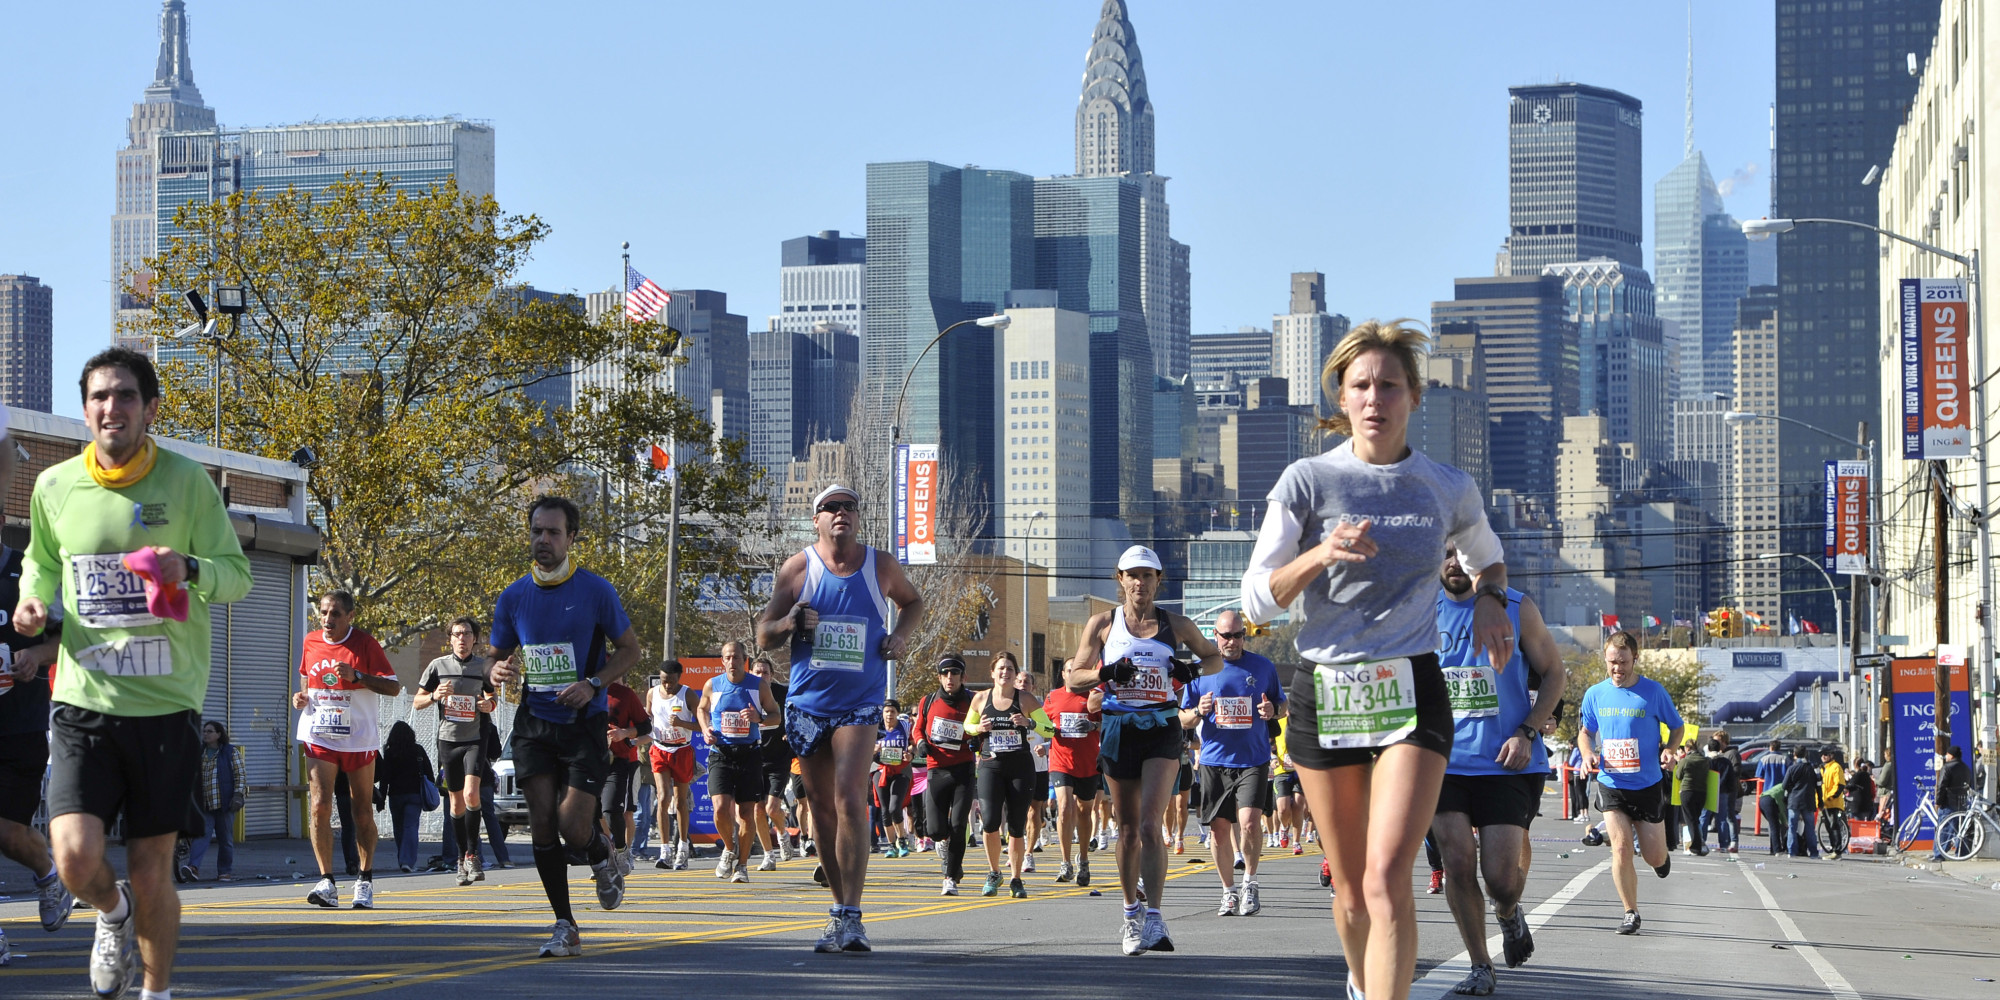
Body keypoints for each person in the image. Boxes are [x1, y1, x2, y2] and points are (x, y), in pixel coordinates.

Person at [1240, 320, 1512, 997]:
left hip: (1411, 686)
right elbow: (1255, 603)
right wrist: (1320, 553)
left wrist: (1491, 599)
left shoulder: (1446, 487)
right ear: (1342, 396)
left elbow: (1489, 558)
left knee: (1390, 876)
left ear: (1414, 396)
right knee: (1355, 889)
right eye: (1360, 385)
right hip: (1326, 687)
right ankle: (1363, 983)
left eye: (1389, 384)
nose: (1374, 398)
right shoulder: (1308, 481)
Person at [19, 349, 253, 997]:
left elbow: (238, 575)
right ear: (85, 408)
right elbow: (41, 560)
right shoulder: (55, 485)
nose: (110, 408)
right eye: (98, 396)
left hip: (164, 705)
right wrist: (31, 601)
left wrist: (193, 569)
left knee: (153, 872)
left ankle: (156, 992)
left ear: (150, 409)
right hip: (82, 699)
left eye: (125, 396)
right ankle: (110, 912)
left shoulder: (187, 483)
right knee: (73, 858)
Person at [756, 483, 923, 953]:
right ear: (816, 519)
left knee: (850, 797)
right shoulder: (798, 568)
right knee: (822, 809)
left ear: (857, 516)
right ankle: (838, 911)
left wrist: (899, 636)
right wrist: (789, 623)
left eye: (849, 506)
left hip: (861, 701)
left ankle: (853, 911)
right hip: (807, 706)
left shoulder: (881, 565)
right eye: (830, 507)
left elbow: (914, 602)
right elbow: (764, 635)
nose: (840, 513)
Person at [487, 496, 643, 958]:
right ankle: (565, 924)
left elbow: (630, 650)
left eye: (553, 533)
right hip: (534, 722)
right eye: (537, 531)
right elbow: (494, 656)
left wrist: (593, 683)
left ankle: (599, 853)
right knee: (539, 825)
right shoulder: (513, 596)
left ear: (572, 538)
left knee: (572, 825)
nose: (543, 541)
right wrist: (493, 672)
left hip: (583, 723)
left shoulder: (596, 591)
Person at [1066, 544, 1223, 956]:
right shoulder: (1103, 624)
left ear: (1158, 582)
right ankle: (1130, 913)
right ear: (1120, 580)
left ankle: (1155, 918)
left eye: (1147, 576)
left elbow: (1214, 659)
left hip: (1162, 727)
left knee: (1153, 826)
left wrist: (1190, 669)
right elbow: (1075, 679)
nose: (1140, 583)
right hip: (1119, 728)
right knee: (1129, 829)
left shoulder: (1176, 624)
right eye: (1132, 575)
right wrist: (1106, 672)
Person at [1427, 549, 1565, 995]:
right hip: (1443, 763)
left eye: (1460, 553)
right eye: (1444, 553)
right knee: (1456, 861)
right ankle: (1480, 965)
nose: (1452, 562)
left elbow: (1554, 673)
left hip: (1507, 762)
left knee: (1501, 881)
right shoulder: (1419, 612)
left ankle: (1508, 912)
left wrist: (1527, 732)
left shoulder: (1516, 607)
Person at [0, 397, 74, 969]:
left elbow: (74, 640)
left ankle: (48, 872)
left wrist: (38, 658)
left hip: (19, 726)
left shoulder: (22, 576)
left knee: (6, 832)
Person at [294, 590, 401, 909]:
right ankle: (326, 880)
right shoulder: (311, 641)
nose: (327, 619)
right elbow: (305, 676)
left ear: (350, 616)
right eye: (324, 613)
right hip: (320, 733)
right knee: (319, 806)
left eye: (335, 613)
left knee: (361, 810)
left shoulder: (365, 644)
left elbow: (393, 687)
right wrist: (301, 697)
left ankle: (365, 879)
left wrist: (358, 676)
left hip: (358, 737)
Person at [1576, 631, 1685, 935]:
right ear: (1605, 659)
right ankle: (1630, 912)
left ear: (1635, 659)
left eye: (1624, 662)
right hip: (1611, 782)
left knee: (1653, 856)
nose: (1618, 668)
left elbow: (1677, 727)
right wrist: (1587, 755)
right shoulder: (1595, 694)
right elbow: (1585, 732)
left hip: (1647, 784)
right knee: (1621, 849)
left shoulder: (1653, 692)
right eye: (1612, 662)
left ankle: (1661, 860)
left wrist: (1670, 749)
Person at [1178, 609, 1285, 917]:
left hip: (1253, 758)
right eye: (1227, 635)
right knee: (1219, 831)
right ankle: (1228, 891)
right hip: (1214, 760)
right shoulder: (1201, 671)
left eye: (1238, 635)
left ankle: (1250, 882)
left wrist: (1271, 710)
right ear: (1215, 634)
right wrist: (1198, 710)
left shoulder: (1263, 666)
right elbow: (1182, 718)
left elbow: (1283, 704)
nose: (1233, 641)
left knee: (1250, 822)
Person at [413, 616, 498, 885]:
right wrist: (435, 696)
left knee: (473, 794)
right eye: (457, 633)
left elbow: (491, 698)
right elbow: (417, 702)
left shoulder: (483, 666)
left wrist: (489, 705)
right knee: (456, 802)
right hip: (448, 740)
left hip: (475, 737)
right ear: (450, 638)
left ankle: (473, 855)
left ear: (475, 638)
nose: (462, 638)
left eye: (467, 633)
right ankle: (461, 858)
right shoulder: (438, 666)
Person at [697, 640, 779, 882]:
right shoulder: (713, 685)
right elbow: (702, 708)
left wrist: (759, 718)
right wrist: (705, 729)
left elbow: (776, 716)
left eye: (736, 657)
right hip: (721, 753)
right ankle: (729, 848)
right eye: (727, 657)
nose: (732, 662)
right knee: (720, 809)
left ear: (745, 661)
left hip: (749, 754)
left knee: (746, 814)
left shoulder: (758, 685)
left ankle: (741, 865)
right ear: (722, 661)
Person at [965, 652, 1042, 898]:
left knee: (1017, 825)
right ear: (992, 672)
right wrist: (978, 728)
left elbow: (1049, 728)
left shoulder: (1026, 699)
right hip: (990, 765)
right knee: (989, 822)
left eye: (1009, 668)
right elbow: (967, 726)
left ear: (1014, 673)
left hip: (1020, 766)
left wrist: (1028, 723)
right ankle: (994, 871)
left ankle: (1016, 878)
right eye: (1001, 668)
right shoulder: (980, 698)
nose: (1005, 672)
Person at [914, 657, 977, 895]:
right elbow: (918, 728)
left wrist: (978, 739)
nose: (950, 678)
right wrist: (920, 743)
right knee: (936, 830)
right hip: (936, 768)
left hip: (963, 769)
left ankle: (950, 876)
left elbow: (981, 726)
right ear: (939, 677)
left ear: (963, 677)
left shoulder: (973, 701)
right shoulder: (928, 701)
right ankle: (946, 845)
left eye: (954, 673)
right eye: (945, 673)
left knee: (959, 825)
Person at [1045, 663, 1103, 886]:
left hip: (1088, 763)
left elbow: (1106, 722)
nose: (1072, 675)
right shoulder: (1052, 698)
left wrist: (1093, 726)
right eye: (1068, 671)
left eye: (1076, 671)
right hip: (1061, 761)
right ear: (1063, 675)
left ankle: (1084, 859)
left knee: (1084, 810)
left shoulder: (1092, 697)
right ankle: (1065, 861)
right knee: (1064, 807)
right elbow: (1044, 724)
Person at [646, 659, 699, 869]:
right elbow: (647, 717)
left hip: (682, 749)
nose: (667, 685)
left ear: (679, 678)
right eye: (664, 680)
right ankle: (664, 849)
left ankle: (682, 847)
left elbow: (701, 724)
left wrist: (681, 724)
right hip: (659, 748)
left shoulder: (688, 694)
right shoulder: (652, 693)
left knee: (680, 800)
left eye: (671, 681)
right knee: (662, 797)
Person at [183, 721, 246, 883]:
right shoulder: (200, 753)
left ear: (219, 734)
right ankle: (193, 868)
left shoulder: (230, 752)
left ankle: (224, 872)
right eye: (204, 731)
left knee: (225, 840)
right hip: (205, 804)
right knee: (201, 836)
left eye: (210, 731)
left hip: (225, 803)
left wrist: (238, 795)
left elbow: (240, 775)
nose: (206, 734)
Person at [748, 655, 796, 866]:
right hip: (754, 757)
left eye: (765, 672)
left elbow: (796, 714)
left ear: (772, 675)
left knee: (772, 808)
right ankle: (769, 855)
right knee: (758, 809)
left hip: (779, 758)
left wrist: (791, 732)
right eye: (757, 672)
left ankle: (783, 834)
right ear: (751, 674)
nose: (761, 676)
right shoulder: (745, 693)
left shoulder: (782, 694)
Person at [601, 673, 650, 875]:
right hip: (593, 762)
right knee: (598, 813)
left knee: (623, 811)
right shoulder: (585, 692)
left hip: (624, 761)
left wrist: (626, 735)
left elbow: (647, 730)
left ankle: (624, 850)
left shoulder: (626, 695)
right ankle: (607, 854)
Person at [378, 721, 434, 874]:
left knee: (399, 829)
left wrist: (381, 798)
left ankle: (403, 860)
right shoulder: (418, 751)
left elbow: (385, 778)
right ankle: (407, 861)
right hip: (415, 794)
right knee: (411, 828)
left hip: (395, 796)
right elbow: (429, 773)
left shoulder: (390, 752)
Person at [874, 701, 915, 857]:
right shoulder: (876, 728)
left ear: (897, 713)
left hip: (901, 770)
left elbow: (913, 744)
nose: (889, 715)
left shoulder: (904, 726)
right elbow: (865, 749)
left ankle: (902, 840)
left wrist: (910, 754)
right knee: (885, 811)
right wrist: (874, 750)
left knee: (894, 807)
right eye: (886, 711)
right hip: (881, 770)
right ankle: (892, 846)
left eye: (892, 711)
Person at [1932, 745, 1974, 861]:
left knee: (1944, 829)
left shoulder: (1947, 767)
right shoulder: (1966, 768)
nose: (1946, 756)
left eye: (1947, 754)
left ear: (1951, 755)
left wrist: (1938, 802)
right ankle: (1962, 853)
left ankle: (1939, 855)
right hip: (1962, 803)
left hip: (1948, 802)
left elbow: (1941, 786)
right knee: (1961, 830)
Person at [1782, 750, 1821, 858]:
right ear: (1805, 755)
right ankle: (1813, 852)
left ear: (1795, 755)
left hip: (1794, 801)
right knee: (1810, 828)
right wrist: (1820, 801)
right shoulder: (1813, 768)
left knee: (1792, 828)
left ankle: (1792, 851)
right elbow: (1818, 784)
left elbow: (1784, 785)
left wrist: (1791, 789)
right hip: (1808, 801)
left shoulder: (1792, 768)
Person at [1701, 741, 1737, 856]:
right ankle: (1723, 845)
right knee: (1722, 818)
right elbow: (1732, 778)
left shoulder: (1707, 761)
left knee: (1704, 817)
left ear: (1709, 749)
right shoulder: (1726, 762)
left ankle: (1701, 841)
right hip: (1723, 792)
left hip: (1709, 791)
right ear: (1720, 748)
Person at [1675, 743, 1711, 856]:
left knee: (1690, 820)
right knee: (1695, 819)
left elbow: (1678, 775)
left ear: (1687, 748)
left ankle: (1695, 847)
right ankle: (1700, 844)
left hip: (1687, 791)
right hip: (1702, 792)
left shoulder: (1685, 760)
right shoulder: (1705, 760)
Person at [1817, 747, 1847, 859]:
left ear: (1831, 755)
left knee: (1834, 826)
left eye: (1825, 754)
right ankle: (1833, 849)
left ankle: (1837, 851)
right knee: (1829, 827)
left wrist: (1830, 797)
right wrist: (1819, 801)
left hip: (1833, 803)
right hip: (1825, 804)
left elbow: (1839, 785)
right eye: (1821, 754)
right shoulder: (1823, 769)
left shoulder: (1836, 767)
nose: (1823, 756)